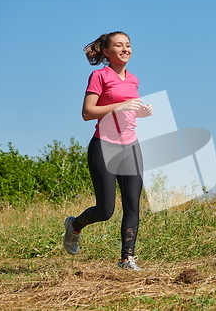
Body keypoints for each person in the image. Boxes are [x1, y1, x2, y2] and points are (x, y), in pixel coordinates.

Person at [63, 31, 153, 270]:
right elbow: (87, 113)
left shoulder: (133, 80)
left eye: (128, 45)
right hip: (104, 145)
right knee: (105, 210)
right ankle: (74, 226)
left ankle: (127, 259)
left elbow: (126, 113)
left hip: (130, 146)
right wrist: (121, 105)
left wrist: (139, 112)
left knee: (133, 204)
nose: (125, 49)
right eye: (119, 45)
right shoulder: (99, 76)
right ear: (106, 51)